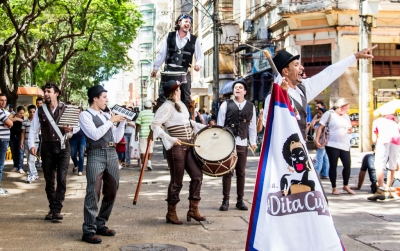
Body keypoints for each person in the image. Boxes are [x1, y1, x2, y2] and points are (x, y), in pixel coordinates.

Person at [263, 45, 378, 139]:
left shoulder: (303, 89)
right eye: (296, 65)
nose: (302, 68)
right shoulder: (273, 97)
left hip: (301, 151)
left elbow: (328, 73)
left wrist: (355, 56)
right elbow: (269, 126)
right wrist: (281, 99)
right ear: (285, 71)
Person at [151, 80, 206, 225]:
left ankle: (193, 210)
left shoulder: (181, 105)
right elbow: (155, 125)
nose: (181, 91)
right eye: (179, 89)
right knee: (177, 182)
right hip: (176, 147)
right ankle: (171, 212)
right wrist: (169, 138)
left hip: (189, 145)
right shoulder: (166, 107)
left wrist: (205, 128)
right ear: (175, 92)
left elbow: (189, 123)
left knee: (197, 176)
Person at [79, 85, 126, 244]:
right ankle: (88, 230)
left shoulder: (106, 116)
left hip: (112, 154)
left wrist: (121, 123)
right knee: (93, 192)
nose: (107, 100)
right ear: (95, 98)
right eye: (104, 97)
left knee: (112, 190)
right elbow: (94, 134)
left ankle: (100, 223)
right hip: (95, 154)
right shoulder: (85, 115)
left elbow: (117, 138)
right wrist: (111, 120)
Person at [28, 82, 75, 220]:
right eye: (45, 92)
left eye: (49, 91)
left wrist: (71, 129)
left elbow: (76, 128)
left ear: (57, 93)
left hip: (63, 147)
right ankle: (52, 207)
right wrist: (32, 144)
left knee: (61, 179)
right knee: (49, 180)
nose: (46, 94)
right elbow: (33, 129)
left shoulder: (67, 108)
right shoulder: (40, 110)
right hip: (47, 147)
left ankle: (57, 209)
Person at [217, 80, 257, 211]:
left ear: (245, 91)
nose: (237, 89)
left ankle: (240, 200)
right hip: (229, 144)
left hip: (243, 144)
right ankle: (225, 200)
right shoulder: (225, 104)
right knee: (228, 172)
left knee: (241, 173)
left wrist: (253, 142)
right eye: (235, 87)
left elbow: (252, 126)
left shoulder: (251, 106)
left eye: (240, 87)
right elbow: (220, 125)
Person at [152, 13, 204, 105]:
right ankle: (161, 116)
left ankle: (185, 118)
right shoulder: (169, 36)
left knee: (186, 98)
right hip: (168, 71)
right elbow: (162, 53)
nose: (188, 24)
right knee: (162, 97)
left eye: (189, 22)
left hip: (184, 72)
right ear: (179, 22)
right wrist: (155, 68)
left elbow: (200, 57)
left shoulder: (194, 40)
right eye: (186, 21)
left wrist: (198, 65)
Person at [315, 98, 354, 195]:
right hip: (332, 143)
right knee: (333, 165)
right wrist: (317, 140)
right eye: (346, 108)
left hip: (345, 143)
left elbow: (349, 128)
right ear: (340, 107)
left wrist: (350, 130)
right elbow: (320, 127)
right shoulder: (329, 114)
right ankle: (334, 187)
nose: (347, 110)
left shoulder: (346, 116)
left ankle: (346, 185)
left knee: (347, 165)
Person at [368, 114, 400, 201]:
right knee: (392, 164)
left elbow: (374, 139)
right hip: (396, 141)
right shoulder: (394, 124)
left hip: (384, 140)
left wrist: (376, 145)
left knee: (379, 164)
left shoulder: (377, 121)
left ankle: (381, 189)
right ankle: (388, 190)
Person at [21, 105, 40, 183]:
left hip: (35, 142)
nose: (32, 113)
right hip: (26, 142)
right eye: (30, 112)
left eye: (34, 112)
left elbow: (39, 131)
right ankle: (35, 173)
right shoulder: (24, 122)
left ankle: (30, 175)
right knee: (29, 159)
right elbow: (23, 133)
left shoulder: (37, 122)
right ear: (28, 112)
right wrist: (21, 142)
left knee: (31, 160)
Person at [134, 101, 155, 170]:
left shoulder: (141, 113)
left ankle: (143, 165)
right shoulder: (153, 113)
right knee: (150, 149)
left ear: (144, 107)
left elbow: (138, 124)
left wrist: (136, 134)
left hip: (143, 133)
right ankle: (149, 163)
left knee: (142, 150)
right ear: (151, 107)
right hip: (151, 134)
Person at [0, 93, 13, 195]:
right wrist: (8, 122)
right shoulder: (0, 112)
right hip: (2, 140)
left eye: (5, 100)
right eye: (1, 100)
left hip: (3, 140)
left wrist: (8, 121)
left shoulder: (3, 112)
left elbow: (9, 120)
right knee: (0, 166)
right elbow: (11, 123)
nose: (3, 102)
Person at [312, 108, 329, 179]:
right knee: (324, 157)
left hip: (322, 142)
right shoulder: (323, 122)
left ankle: (317, 173)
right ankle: (325, 173)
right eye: (318, 113)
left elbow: (320, 131)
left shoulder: (323, 122)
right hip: (323, 142)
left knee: (319, 157)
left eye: (320, 113)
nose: (318, 115)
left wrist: (317, 140)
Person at [69, 107, 86, 176]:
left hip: (82, 138)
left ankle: (80, 170)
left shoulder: (85, 120)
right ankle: (76, 164)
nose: (78, 113)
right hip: (73, 138)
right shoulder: (71, 119)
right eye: (77, 112)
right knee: (73, 154)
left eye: (79, 112)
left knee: (81, 154)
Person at [9, 106, 25, 174]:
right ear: (17, 112)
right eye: (20, 113)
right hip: (12, 136)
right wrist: (17, 119)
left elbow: (23, 131)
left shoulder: (24, 119)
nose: (21, 115)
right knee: (14, 151)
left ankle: (20, 167)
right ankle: (15, 166)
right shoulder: (13, 116)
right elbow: (8, 119)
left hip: (19, 137)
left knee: (20, 152)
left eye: (23, 113)